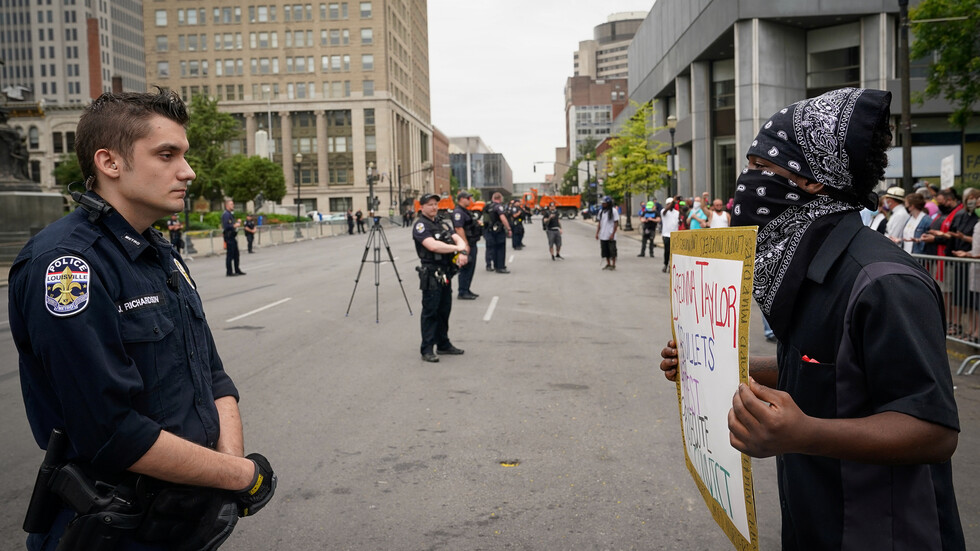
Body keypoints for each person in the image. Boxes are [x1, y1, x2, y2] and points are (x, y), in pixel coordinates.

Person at [660, 87, 962, 550]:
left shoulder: (884, 283)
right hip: (813, 522)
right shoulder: (806, 267)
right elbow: (823, 369)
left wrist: (805, 433)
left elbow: (934, 431)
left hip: (882, 532)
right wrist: (716, 364)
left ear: (814, 179)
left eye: (761, 167)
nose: (747, 180)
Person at [9, 89, 276, 551]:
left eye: (184, 155)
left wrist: (224, 476)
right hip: (114, 529)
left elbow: (212, 375)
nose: (188, 171)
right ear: (110, 163)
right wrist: (241, 475)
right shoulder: (68, 265)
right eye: (167, 155)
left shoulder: (160, 254)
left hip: (183, 518)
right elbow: (112, 432)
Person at [413, 193, 468, 362]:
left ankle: (443, 344)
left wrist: (462, 249)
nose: (434, 207)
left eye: (436, 204)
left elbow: (456, 237)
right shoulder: (421, 225)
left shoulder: (441, 223)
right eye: (430, 204)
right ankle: (427, 349)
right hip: (431, 272)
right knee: (431, 311)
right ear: (422, 207)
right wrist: (456, 248)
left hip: (445, 272)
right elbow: (433, 246)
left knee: (444, 309)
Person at [452, 190, 481, 300]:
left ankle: (466, 289)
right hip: (467, 244)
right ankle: (462, 291)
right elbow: (459, 228)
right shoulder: (458, 212)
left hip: (472, 243)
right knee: (466, 268)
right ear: (461, 199)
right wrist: (465, 244)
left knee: (470, 268)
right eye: (468, 198)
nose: (470, 200)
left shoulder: (465, 211)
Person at [483, 192, 512, 273]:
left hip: (489, 230)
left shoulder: (488, 206)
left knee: (492, 248)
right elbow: (502, 218)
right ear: (500, 198)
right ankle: (500, 267)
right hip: (498, 230)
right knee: (500, 248)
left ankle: (492, 265)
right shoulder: (498, 207)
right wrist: (508, 228)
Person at [222, 199, 245, 276]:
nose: (233, 205)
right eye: (231, 204)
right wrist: (235, 225)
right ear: (227, 205)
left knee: (236, 254)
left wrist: (237, 223)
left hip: (232, 236)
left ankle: (237, 269)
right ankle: (229, 271)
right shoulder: (226, 215)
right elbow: (226, 226)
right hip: (229, 236)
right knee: (230, 255)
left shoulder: (230, 214)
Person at [595, 195, 619, 270]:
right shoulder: (601, 212)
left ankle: (613, 264)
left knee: (612, 250)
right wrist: (597, 233)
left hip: (610, 234)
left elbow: (616, 223)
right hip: (603, 234)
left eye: (604, 203)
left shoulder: (614, 211)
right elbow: (599, 223)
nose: (603, 204)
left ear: (608, 203)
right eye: (602, 203)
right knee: (605, 251)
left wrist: (613, 234)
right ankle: (608, 263)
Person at [660, 197, 679, 273]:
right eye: (669, 204)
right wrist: (673, 200)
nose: (671, 205)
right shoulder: (664, 211)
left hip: (675, 234)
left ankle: (671, 265)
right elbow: (666, 210)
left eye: (672, 204)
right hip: (666, 234)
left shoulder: (677, 212)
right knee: (667, 251)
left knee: (673, 251)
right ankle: (665, 264)